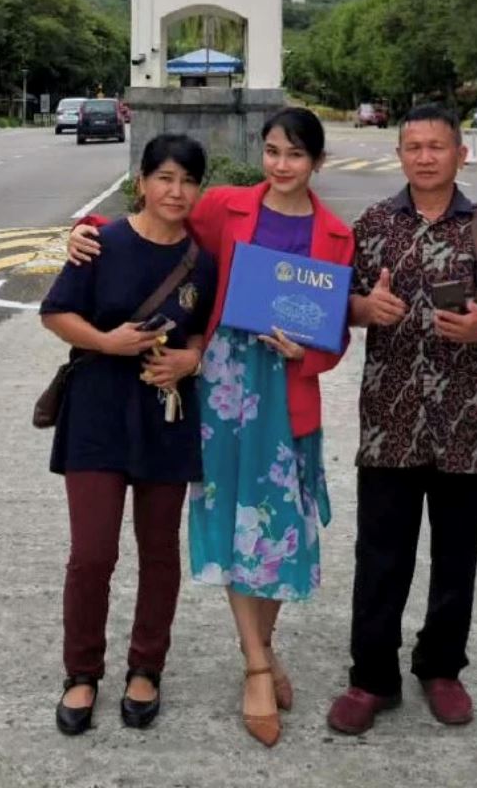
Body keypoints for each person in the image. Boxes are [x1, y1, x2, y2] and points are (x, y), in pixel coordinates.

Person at [68, 108, 355, 748]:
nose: (282, 165)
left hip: (289, 390)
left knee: (281, 527)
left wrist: (303, 355)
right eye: (273, 151)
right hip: (226, 389)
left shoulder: (336, 235)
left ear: (317, 163)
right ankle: (255, 664)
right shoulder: (225, 206)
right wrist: (85, 231)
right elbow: (152, 224)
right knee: (232, 524)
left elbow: (332, 335)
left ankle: (265, 646)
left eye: (296, 155)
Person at [328, 104, 477, 736]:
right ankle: (371, 678)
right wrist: (365, 308)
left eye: (437, 146)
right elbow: (332, 300)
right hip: (390, 420)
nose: (425, 156)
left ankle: (442, 667)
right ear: (399, 155)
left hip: (469, 420)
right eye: (413, 146)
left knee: (457, 557)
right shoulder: (372, 225)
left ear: (460, 154)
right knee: (381, 557)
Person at [39, 133, 218, 736]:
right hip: (96, 411)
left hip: (165, 414)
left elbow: (200, 332)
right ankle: (82, 672)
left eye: (189, 180)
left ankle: (147, 666)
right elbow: (55, 312)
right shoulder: (100, 244)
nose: (176, 191)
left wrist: (191, 361)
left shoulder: (202, 260)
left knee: (159, 552)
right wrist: (106, 341)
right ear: (141, 182)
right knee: (92, 555)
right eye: (164, 177)